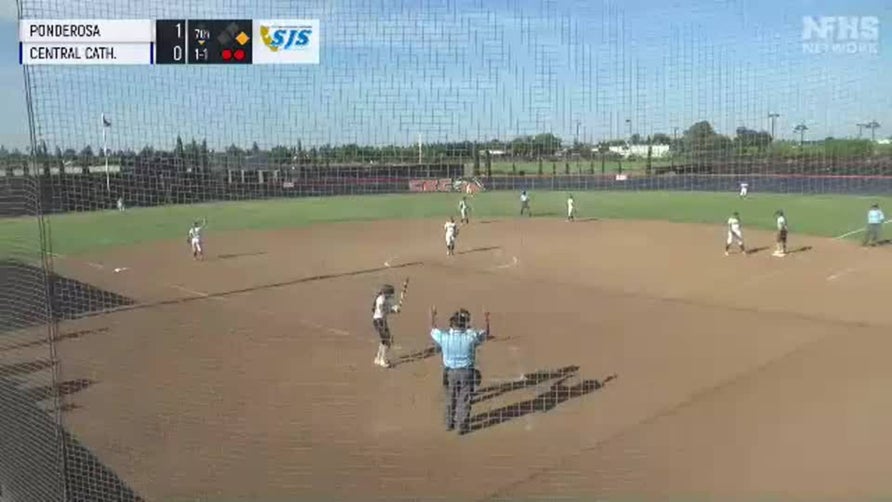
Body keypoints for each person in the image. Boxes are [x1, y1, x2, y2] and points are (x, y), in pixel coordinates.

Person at [429, 306, 489, 435]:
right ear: (464, 325)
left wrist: (433, 316)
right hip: (467, 372)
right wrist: (486, 318)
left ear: (452, 325)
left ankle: (449, 423)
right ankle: (462, 425)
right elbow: (485, 334)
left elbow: (433, 330)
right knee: (465, 398)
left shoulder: (445, 337)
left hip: (450, 372)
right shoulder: (470, 337)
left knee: (451, 397)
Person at [371, 284, 402, 368]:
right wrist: (393, 310)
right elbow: (384, 310)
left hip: (380, 321)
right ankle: (382, 360)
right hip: (379, 321)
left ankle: (378, 358)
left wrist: (395, 309)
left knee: (384, 340)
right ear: (386, 293)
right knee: (387, 341)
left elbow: (388, 309)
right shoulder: (381, 300)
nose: (392, 296)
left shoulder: (383, 298)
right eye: (391, 294)